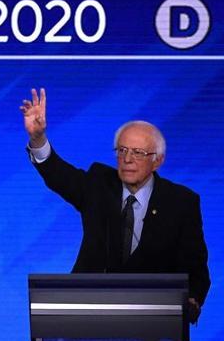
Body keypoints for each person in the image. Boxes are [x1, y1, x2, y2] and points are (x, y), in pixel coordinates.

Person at [21, 88, 209, 322]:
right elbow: (58, 174)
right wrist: (38, 138)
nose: (128, 159)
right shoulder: (99, 183)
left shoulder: (181, 202)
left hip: (151, 323)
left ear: (157, 160)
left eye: (138, 153)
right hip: (87, 314)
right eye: (122, 151)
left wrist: (192, 299)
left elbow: (196, 266)